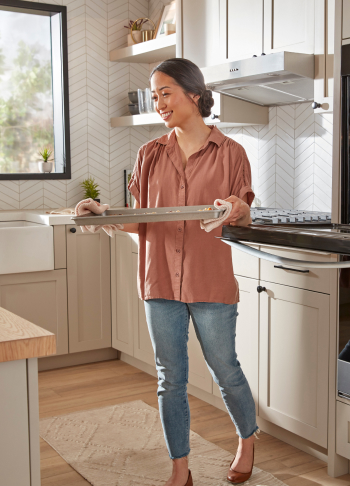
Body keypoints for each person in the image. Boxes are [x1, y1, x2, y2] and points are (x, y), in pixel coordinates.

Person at [120, 58, 258, 486]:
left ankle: (247, 439)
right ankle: (180, 467)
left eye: (166, 93)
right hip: (159, 279)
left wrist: (236, 209)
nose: (159, 103)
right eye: (155, 95)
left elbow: (244, 212)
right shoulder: (148, 154)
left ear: (193, 94)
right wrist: (98, 215)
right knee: (170, 379)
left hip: (209, 281)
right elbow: (138, 221)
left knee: (225, 368)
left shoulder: (231, 152)